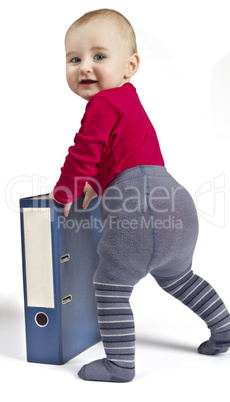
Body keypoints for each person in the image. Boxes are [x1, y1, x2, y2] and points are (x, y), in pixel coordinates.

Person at [50, 8, 230, 382]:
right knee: (180, 277)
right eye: (74, 58)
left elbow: (85, 150)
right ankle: (224, 328)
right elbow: (118, 154)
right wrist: (95, 188)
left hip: (141, 213)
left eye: (99, 56)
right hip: (176, 205)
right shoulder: (128, 101)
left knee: (110, 286)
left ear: (130, 65)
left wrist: (66, 190)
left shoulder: (102, 103)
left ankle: (119, 364)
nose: (85, 67)